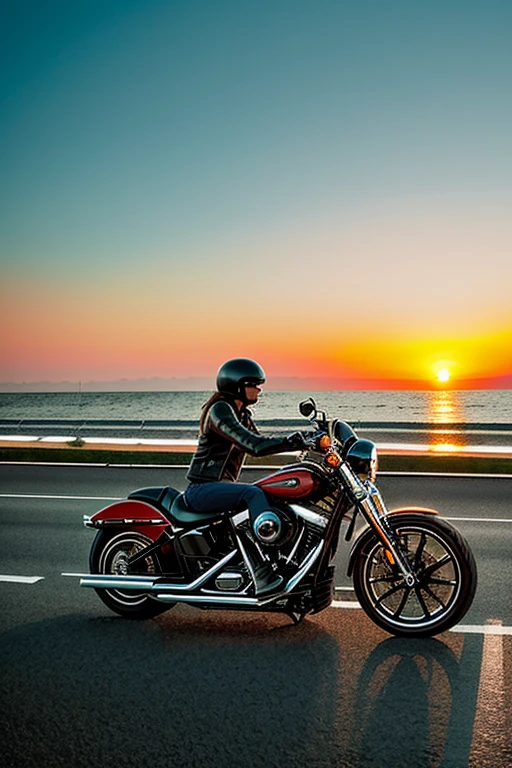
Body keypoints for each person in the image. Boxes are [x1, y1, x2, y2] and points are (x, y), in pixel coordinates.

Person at [185, 358, 312, 595]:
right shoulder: (220, 410)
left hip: (219, 487)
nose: (259, 389)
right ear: (237, 385)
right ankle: (263, 572)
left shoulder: (241, 414)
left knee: (273, 492)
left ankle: (279, 559)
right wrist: (292, 440)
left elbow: (263, 443)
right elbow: (253, 445)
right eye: (253, 383)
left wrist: (305, 441)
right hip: (203, 488)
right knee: (252, 493)